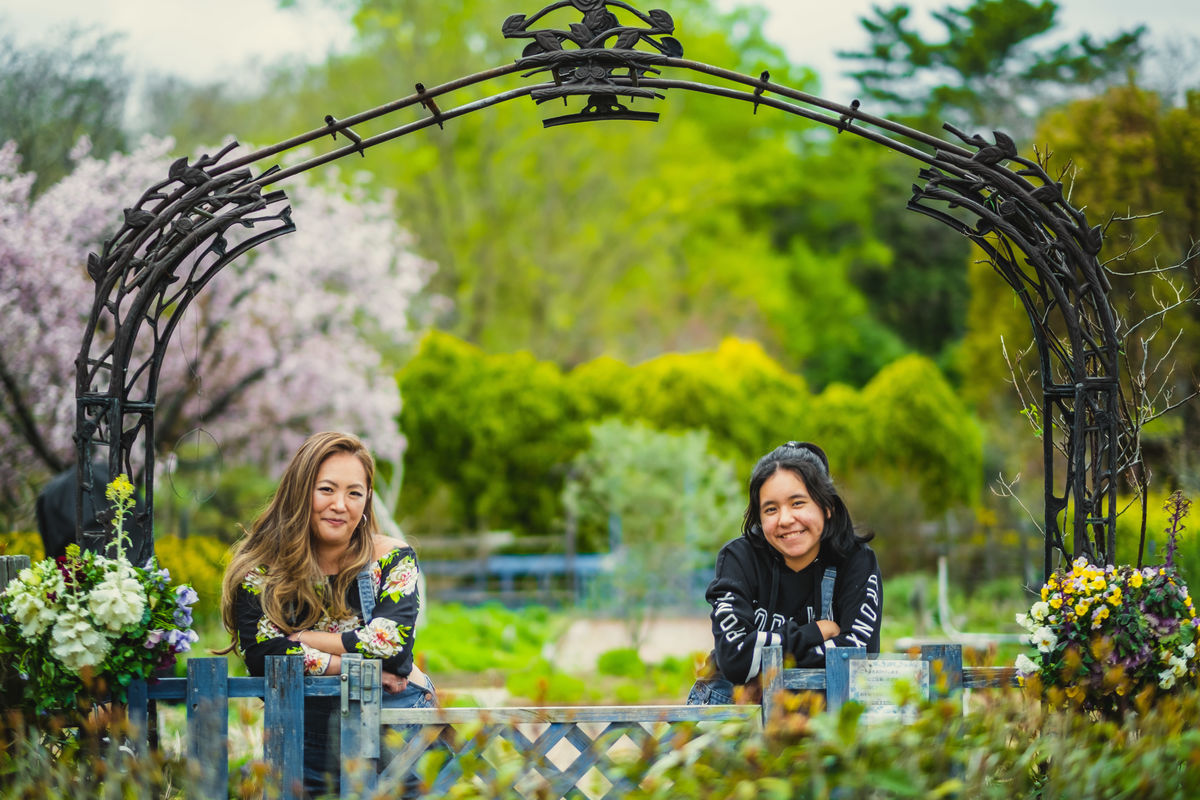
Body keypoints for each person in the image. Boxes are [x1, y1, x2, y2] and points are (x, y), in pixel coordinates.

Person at [219, 432, 434, 797]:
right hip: (304, 734)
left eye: (354, 493)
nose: (340, 505)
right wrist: (362, 665)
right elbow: (265, 654)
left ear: (367, 500)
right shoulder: (261, 569)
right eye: (326, 489)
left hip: (398, 726)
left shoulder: (392, 558)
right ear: (300, 492)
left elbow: (393, 650)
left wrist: (303, 639)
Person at [689, 441, 882, 705]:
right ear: (759, 517)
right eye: (771, 509)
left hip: (821, 711)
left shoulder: (856, 561)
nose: (785, 519)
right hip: (732, 709)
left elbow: (860, 656)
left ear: (827, 507)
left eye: (798, 503)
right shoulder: (739, 559)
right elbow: (735, 661)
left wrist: (762, 655)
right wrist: (815, 632)